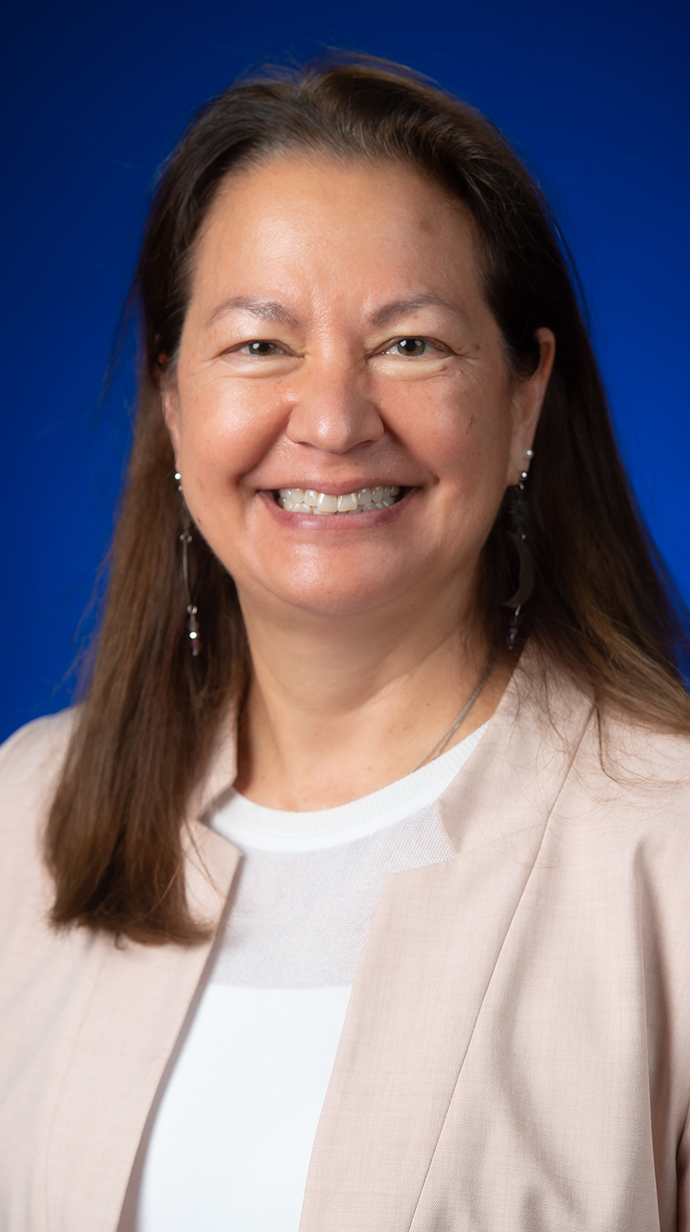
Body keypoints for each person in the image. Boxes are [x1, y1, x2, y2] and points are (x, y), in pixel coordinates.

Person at [1, 52, 690, 1232]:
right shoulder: (20, 814)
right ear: (172, 399)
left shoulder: (668, 850)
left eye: (411, 343)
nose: (330, 420)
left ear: (525, 398)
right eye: (260, 345)